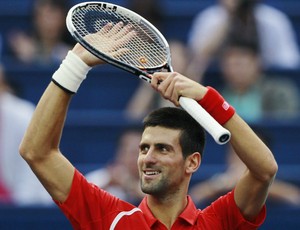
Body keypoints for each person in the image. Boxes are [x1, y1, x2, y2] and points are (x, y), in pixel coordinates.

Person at [19, 23, 278, 229]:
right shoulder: (109, 218)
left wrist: (209, 98)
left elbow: (264, 170)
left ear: (193, 162)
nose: (147, 158)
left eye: (163, 149)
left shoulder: (216, 223)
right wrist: (74, 65)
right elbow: (37, 152)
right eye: (144, 148)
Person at [187, 0, 300, 82]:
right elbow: (195, 62)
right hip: (220, 84)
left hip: (266, 83)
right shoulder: (208, 19)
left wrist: (254, 65)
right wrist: (230, 16)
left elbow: (290, 63)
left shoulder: (274, 20)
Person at [0, 64, 51, 206]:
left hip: (22, 204)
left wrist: (15, 215)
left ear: (3, 87)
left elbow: (32, 171)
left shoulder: (24, 115)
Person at [217, 37, 299, 122]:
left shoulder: (280, 92)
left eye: (241, 64)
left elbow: (286, 127)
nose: (237, 70)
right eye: (232, 65)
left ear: (257, 63)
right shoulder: (218, 96)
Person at [85, 127, 144, 205]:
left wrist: (127, 183)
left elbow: (160, 203)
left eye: (137, 152)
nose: (133, 158)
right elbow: (80, 201)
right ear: (119, 152)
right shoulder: (101, 177)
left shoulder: (154, 179)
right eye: (129, 151)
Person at [7, 0, 72, 65]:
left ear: (63, 18)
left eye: (53, 17)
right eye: (44, 16)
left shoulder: (73, 50)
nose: (48, 22)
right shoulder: (20, 45)